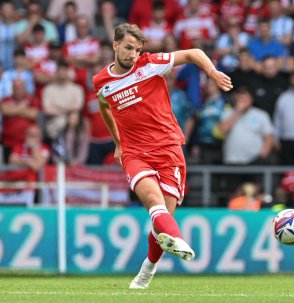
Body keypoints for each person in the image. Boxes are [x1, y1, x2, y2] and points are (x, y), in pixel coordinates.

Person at [92, 23, 232, 289]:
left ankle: (148, 269)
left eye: (137, 49)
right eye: (128, 48)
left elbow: (194, 53)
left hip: (168, 149)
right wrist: (119, 143)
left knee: (161, 223)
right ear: (115, 45)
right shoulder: (101, 82)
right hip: (135, 153)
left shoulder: (151, 64)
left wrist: (212, 72)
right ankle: (178, 240)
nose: (133, 54)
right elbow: (104, 105)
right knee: (153, 203)